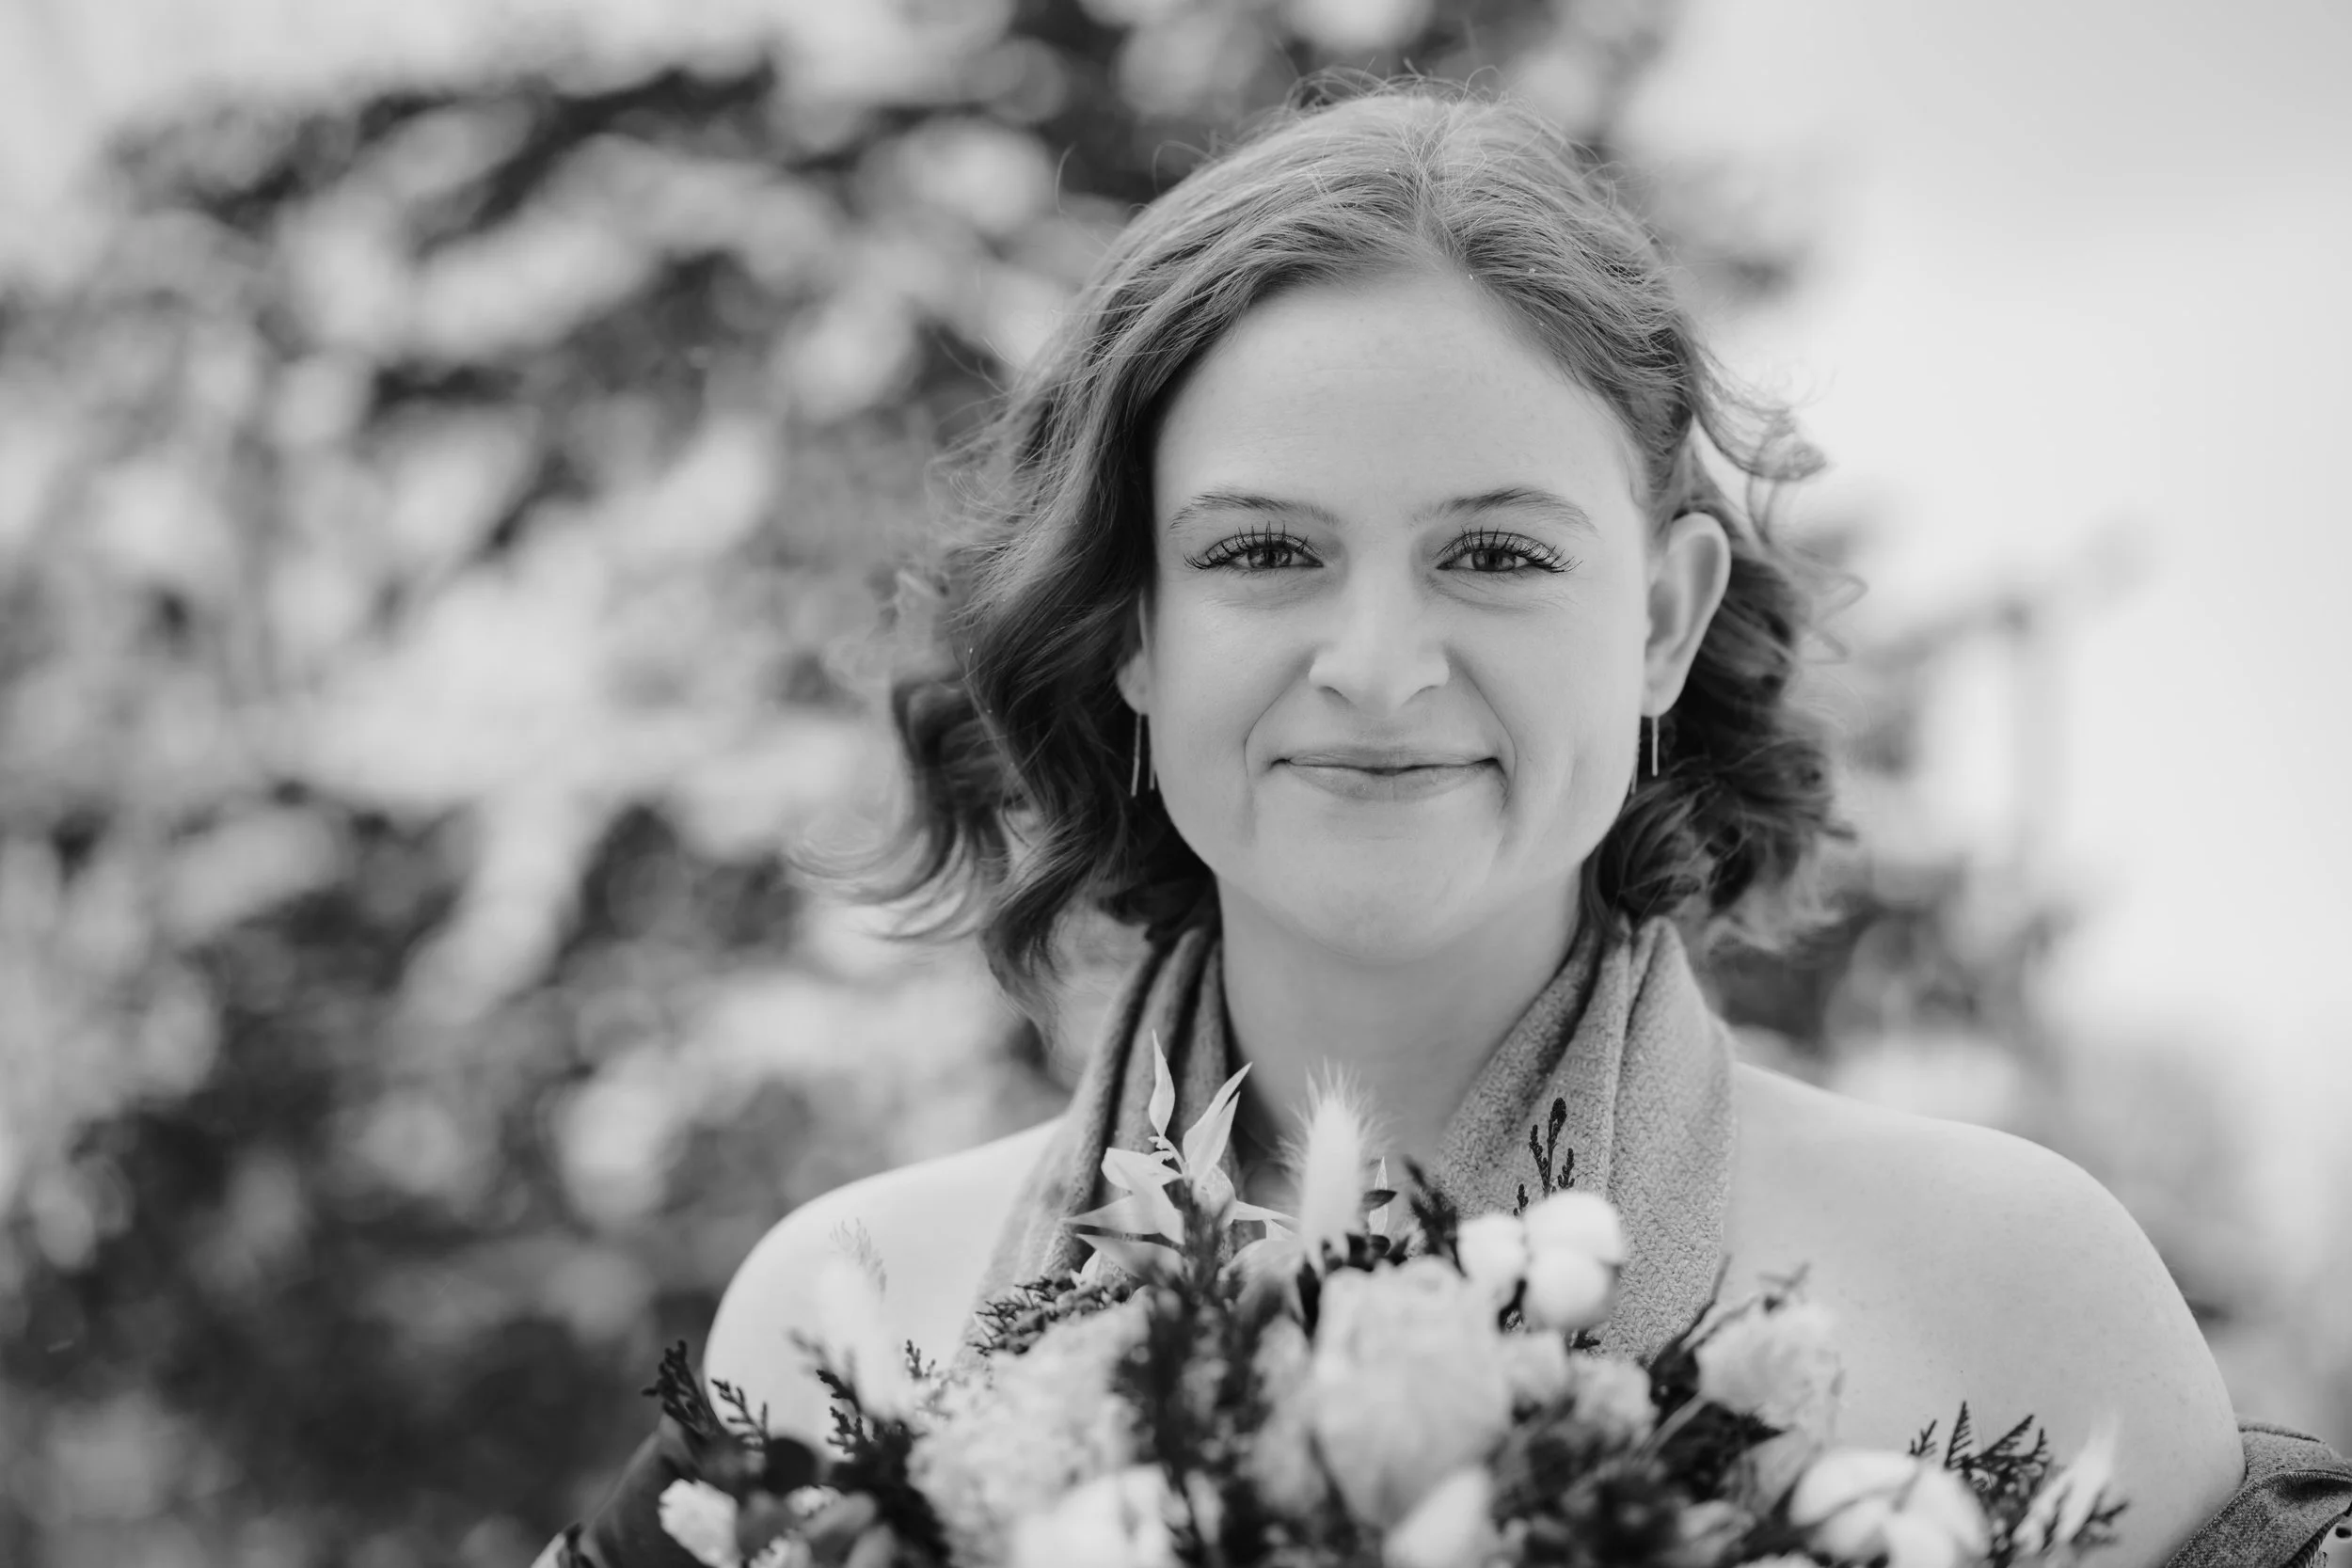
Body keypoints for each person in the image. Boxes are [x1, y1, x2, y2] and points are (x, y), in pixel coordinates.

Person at [562, 82, 2351, 1568]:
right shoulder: (848, 1324)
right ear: (1132, 631)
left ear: (1661, 620)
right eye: (1265, 550)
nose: (1377, 665)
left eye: (1493, 552)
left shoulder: (2007, 1300)